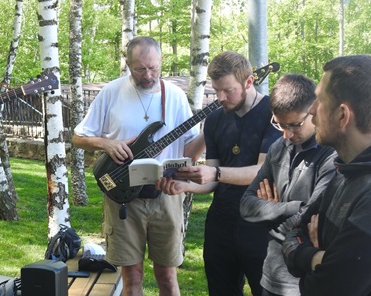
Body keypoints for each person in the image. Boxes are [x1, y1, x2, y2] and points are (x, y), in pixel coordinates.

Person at [72, 36, 203, 296]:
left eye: (153, 68)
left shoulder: (175, 96)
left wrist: (209, 134)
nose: (148, 75)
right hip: (122, 198)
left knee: (167, 276)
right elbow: (78, 137)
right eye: (140, 68)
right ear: (127, 63)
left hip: (165, 195)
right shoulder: (112, 92)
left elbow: (190, 150)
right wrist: (106, 144)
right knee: (132, 277)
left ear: (161, 61)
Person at [157, 51, 282, 296]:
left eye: (228, 90)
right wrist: (186, 186)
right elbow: (213, 182)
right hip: (221, 222)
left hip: (261, 222)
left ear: (248, 82)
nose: (221, 98)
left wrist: (214, 173)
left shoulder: (272, 113)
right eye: (216, 91)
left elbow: (261, 171)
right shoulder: (214, 120)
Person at [238, 74, 336, 296]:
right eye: (279, 124)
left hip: (305, 282)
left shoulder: (331, 155)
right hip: (270, 275)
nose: (287, 134)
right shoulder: (278, 148)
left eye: (295, 125)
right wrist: (292, 207)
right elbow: (246, 204)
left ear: (314, 110)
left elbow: (312, 219)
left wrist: (268, 214)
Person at [282, 55, 371, 295]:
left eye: (319, 100)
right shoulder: (344, 171)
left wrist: (308, 260)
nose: (311, 110)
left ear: (342, 115)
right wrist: (316, 258)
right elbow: (292, 235)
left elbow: (323, 288)